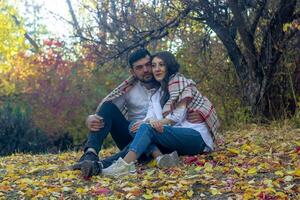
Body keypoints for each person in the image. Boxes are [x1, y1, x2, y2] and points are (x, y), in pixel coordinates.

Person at [72, 49, 203, 178]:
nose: (146, 70)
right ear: (133, 72)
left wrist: (199, 113)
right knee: (112, 110)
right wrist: (89, 118)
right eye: (139, 67)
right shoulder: (129, 89)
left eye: (148, 65)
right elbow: (106, 111)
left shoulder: (169, 83)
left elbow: (190, 99)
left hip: (161, 136)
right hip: (133, 135)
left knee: (144, 129)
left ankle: (98, 166)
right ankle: (90, 153)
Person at [101, 51, 220, 177]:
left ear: (169, 66)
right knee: (134, 127)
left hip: (196, 137)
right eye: (154, 65)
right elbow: (149, 117)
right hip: (176, 139)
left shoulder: (180, 84)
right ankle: (161, 159)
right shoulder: (156, 95)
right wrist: (145, 122)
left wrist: (155, 123)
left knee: (146, 127)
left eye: (161, 65)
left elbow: (176, 117)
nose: (157, 69)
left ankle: (125, 165)